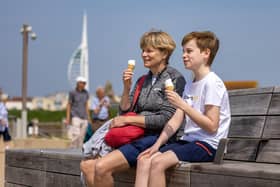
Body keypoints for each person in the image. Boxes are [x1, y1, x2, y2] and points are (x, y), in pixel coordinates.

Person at [80, 30, 186, 187]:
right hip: (136, 136)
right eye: (143, 50)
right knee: (86, 166)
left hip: (158, 138)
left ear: (164, 54)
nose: (144, 54)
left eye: (149, 50)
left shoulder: (174, 78)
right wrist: (126, 87)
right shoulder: (143, 80)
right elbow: (123, 111)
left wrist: (127, 119)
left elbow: (165, 119)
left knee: (101, 167)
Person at [135, 31, 231, 187]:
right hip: (189, 142)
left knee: (158, 163)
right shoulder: (190, 85)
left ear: (206, 53)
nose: (184, 55)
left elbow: (212, 126)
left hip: (209, 145)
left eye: (189, 51)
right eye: (183, 51)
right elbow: (176, 119)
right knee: (144, 159)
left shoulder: (212, 83)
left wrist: (183, 105)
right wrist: (157, 145)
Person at [66, 76, 90, 148]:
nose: (83, 85)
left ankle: (79, 151)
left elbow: (86, 105)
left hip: (84, 117)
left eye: (84, 83)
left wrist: (88, 117)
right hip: (75, 116)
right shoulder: (72, 92)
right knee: (76, 134)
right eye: (82, 83)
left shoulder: (86, 93)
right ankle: (72, 149)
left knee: (82, 136)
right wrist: (68, 118)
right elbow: (69, 105)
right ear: (78, 83)